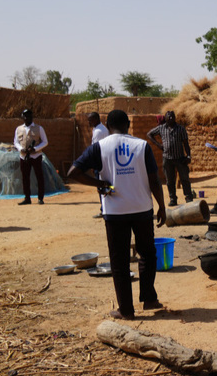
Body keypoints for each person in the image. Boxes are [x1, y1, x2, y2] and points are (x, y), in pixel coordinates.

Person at [67, 110, 166, 320]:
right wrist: (162, 206)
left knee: (119, 261)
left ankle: (126, 310)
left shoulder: (99, 147)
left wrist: (100, 184)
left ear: (108, 125)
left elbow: (73, 173)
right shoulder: (142, 146)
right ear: (128, 124)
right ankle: (149, 299)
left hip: (115, 211)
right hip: (142, 209)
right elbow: (154, 180)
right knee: (147, 254)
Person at [147, 110, 195, 206]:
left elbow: (185, 143)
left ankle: (188, 197)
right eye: (169, 117)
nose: (171, 118)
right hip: (167, 158)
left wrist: (188, 156)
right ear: (165, 119)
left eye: (172, 117)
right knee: (170, 180)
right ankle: (173, 198)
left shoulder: (181, 129)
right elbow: (149, 134)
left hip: (180, 158)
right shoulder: (161, 128)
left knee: (184, 178)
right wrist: (158, 145)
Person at [14, 109, 48, 205]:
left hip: (36, 156)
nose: (27, 118)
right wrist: (21, 149)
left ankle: (40, 198)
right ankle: (27, 198)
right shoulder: (19, 129)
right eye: (25, 116)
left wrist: (35, 149)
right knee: (25, 178)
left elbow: (45, 142)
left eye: (29, 116)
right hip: (23, 157)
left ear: (32, 117)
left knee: (39, 177)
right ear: (22, 118)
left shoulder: (39, 128)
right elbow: (16, 142)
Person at [87, 113, 110, 217]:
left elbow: (95, 150)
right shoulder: (100, 129)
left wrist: (93, 164)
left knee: (101, 186)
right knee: (106, 185)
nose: (89, 122)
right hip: (105, 162)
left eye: (90, 120)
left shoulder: (99, 132)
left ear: (96, 119)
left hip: (100, 163)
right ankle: (106, 208)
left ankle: (104, 209)